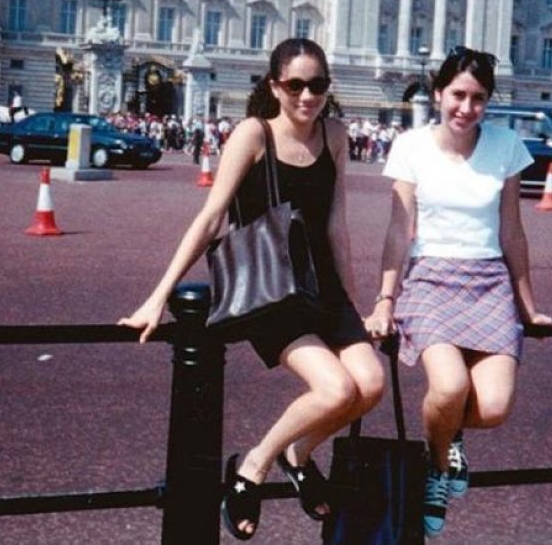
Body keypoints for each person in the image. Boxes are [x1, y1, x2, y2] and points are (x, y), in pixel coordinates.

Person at [118, 38, 383, 541]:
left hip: (322, 286)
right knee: (337, 389)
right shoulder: (252, 134)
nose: (308, 96)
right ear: (274, 86)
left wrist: (354, 303)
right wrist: (158, 295)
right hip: (272, 290)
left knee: (370, 386)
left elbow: (336, 226)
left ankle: (297, 454)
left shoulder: (335, 135)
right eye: (296, 85)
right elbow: (212, 217)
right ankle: (252, 468)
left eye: (318, 85)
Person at [364, 46, 552, 537]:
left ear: (488, 101)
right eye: (457, 95)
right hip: (431, 279)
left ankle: (447, 434)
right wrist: (385, 299)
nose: (466, 108)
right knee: (449, 386)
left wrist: (529, 308)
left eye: (478, 98)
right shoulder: (410, 146)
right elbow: (398, 230)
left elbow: (513, 230)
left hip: (489, 281)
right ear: (438, 93)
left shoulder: (506, 145)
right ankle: (437, 467)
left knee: (493, 408)